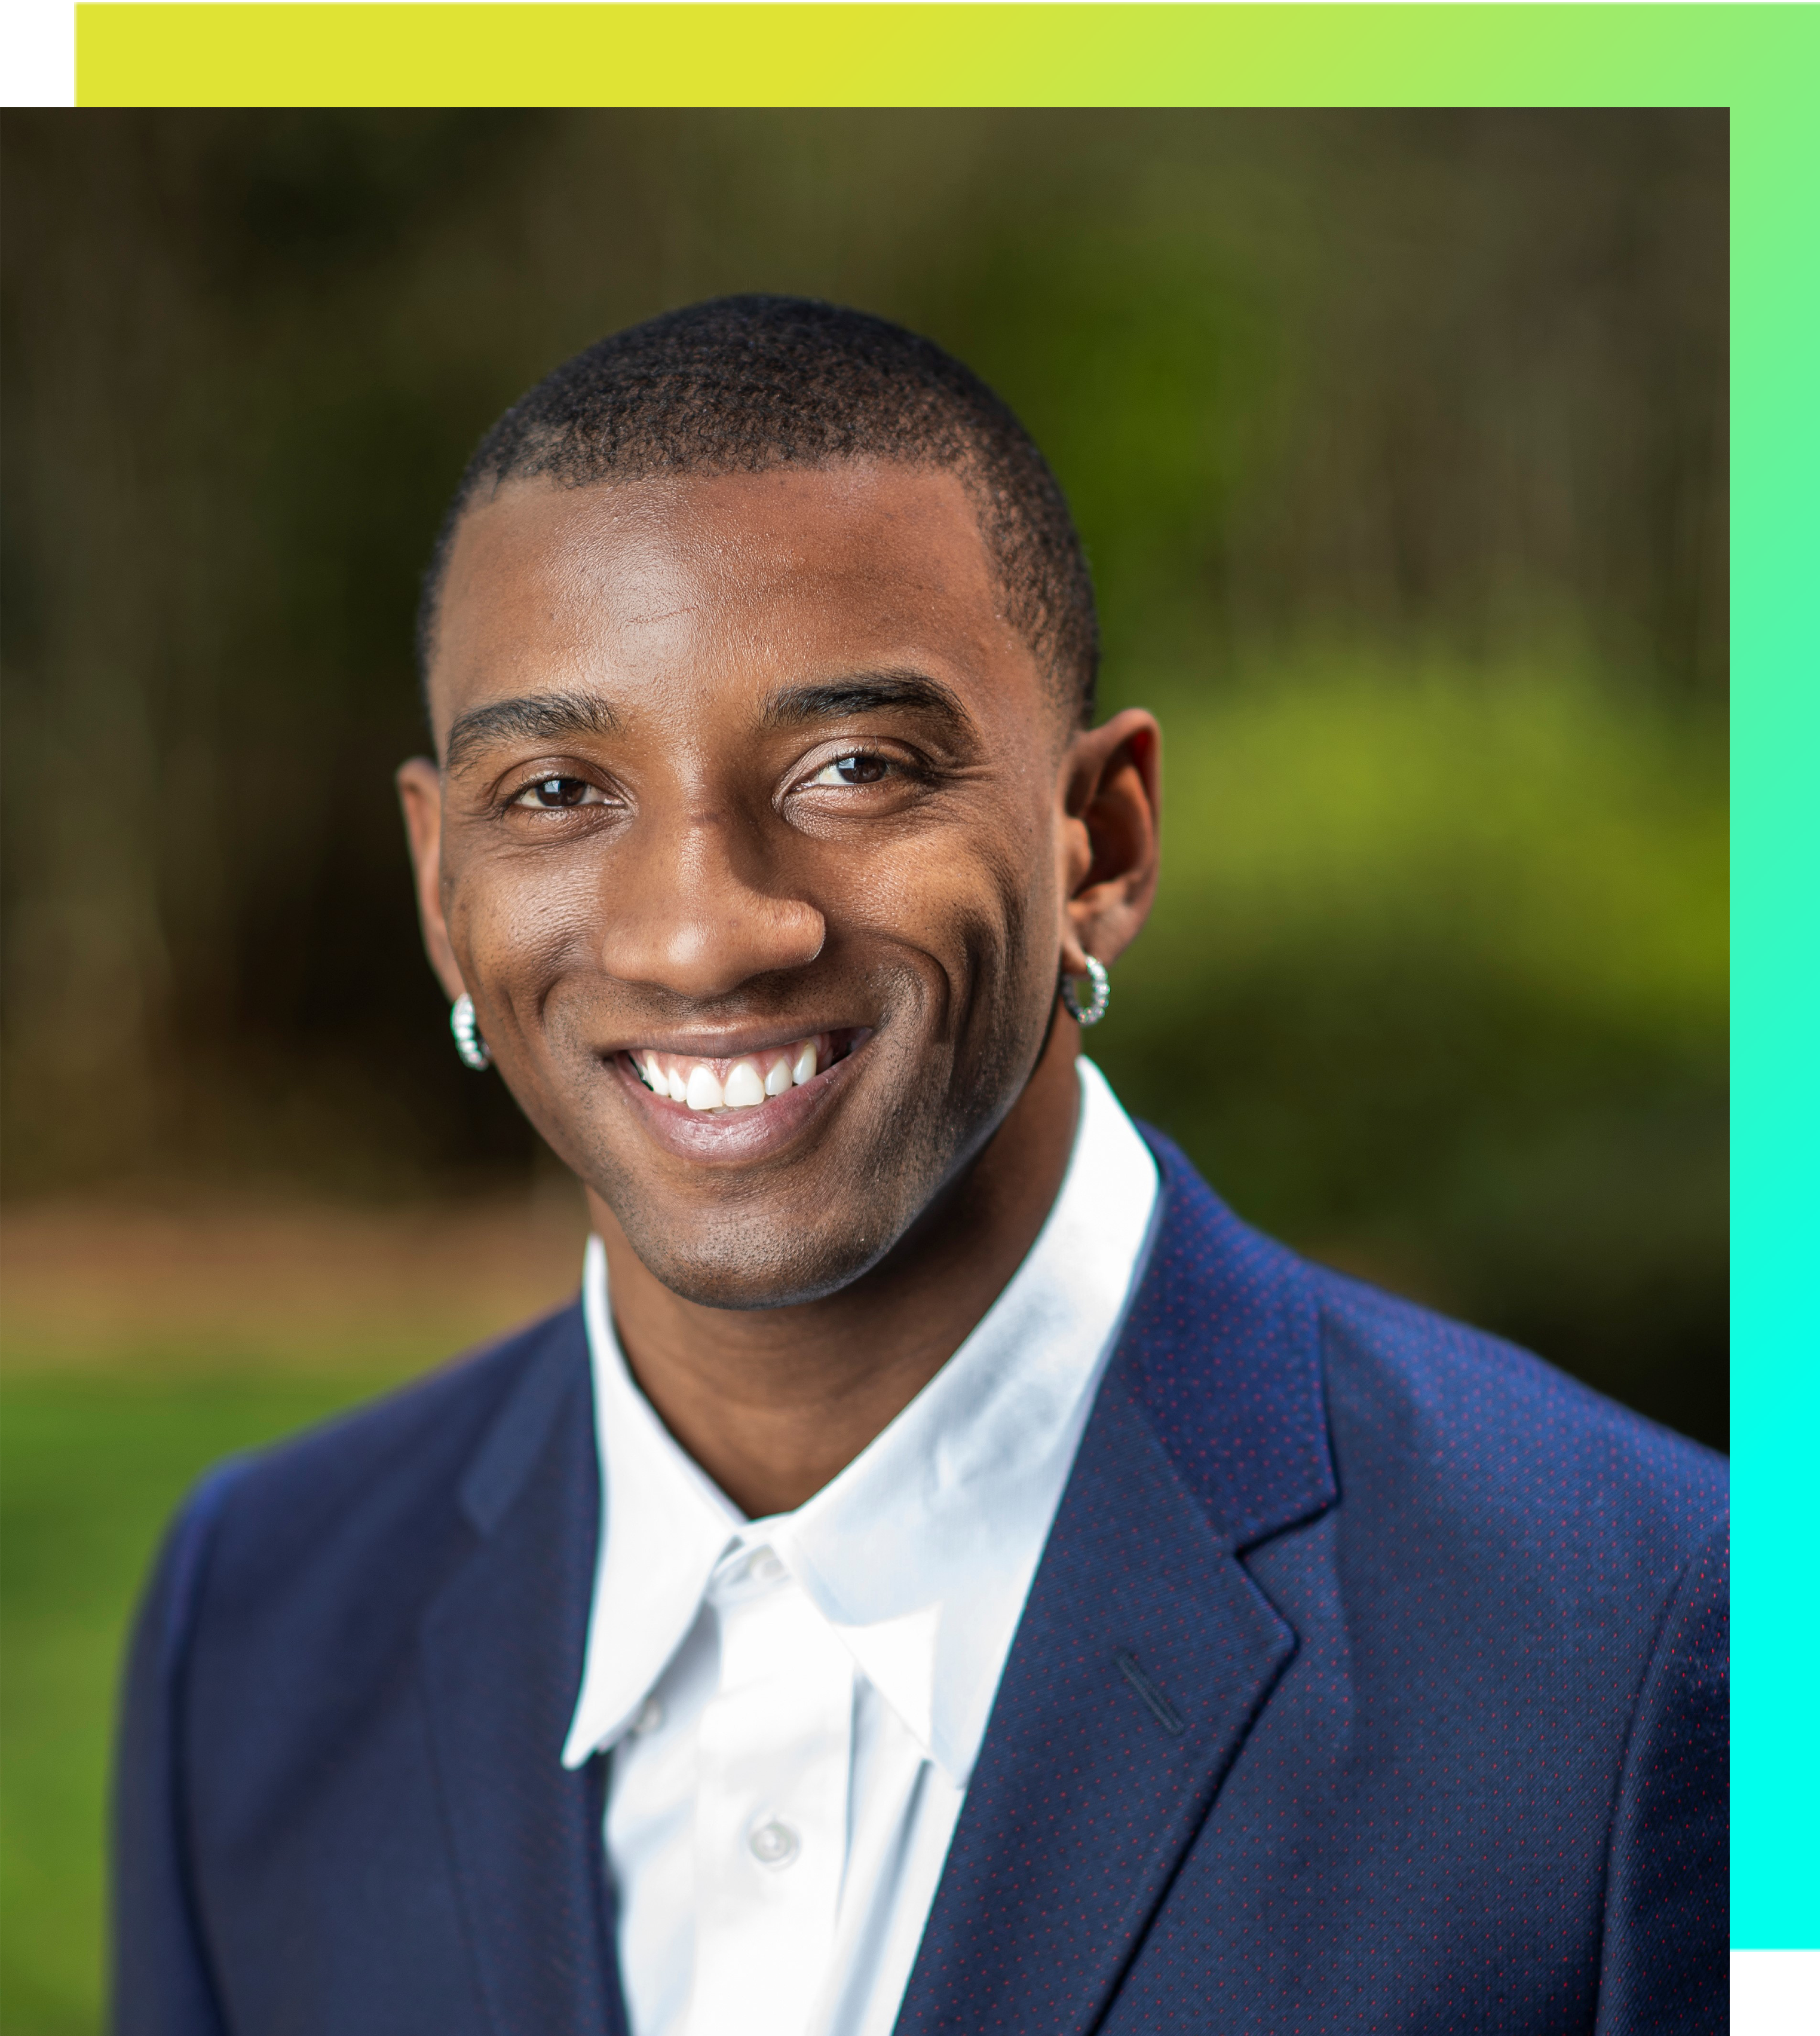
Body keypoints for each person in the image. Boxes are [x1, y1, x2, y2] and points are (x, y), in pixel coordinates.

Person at [112, 296, 1726, 2036]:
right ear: (442, 887)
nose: (701, 933)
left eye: (854, 768)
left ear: (1098, 838)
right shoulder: (257, 1619)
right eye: (562, 790)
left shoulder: (1651, 1644)